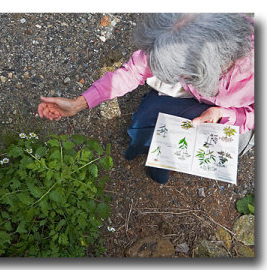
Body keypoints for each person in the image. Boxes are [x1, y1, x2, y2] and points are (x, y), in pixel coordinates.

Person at [37, 13, 254, 184]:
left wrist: (224, 114)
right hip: (203, 99)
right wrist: (78, 103)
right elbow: (135, 71)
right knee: (142, 125)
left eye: (179, 73)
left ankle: (165, 167)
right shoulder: (176, 32)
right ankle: (149, 155)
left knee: (209, 149)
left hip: (233, 114)